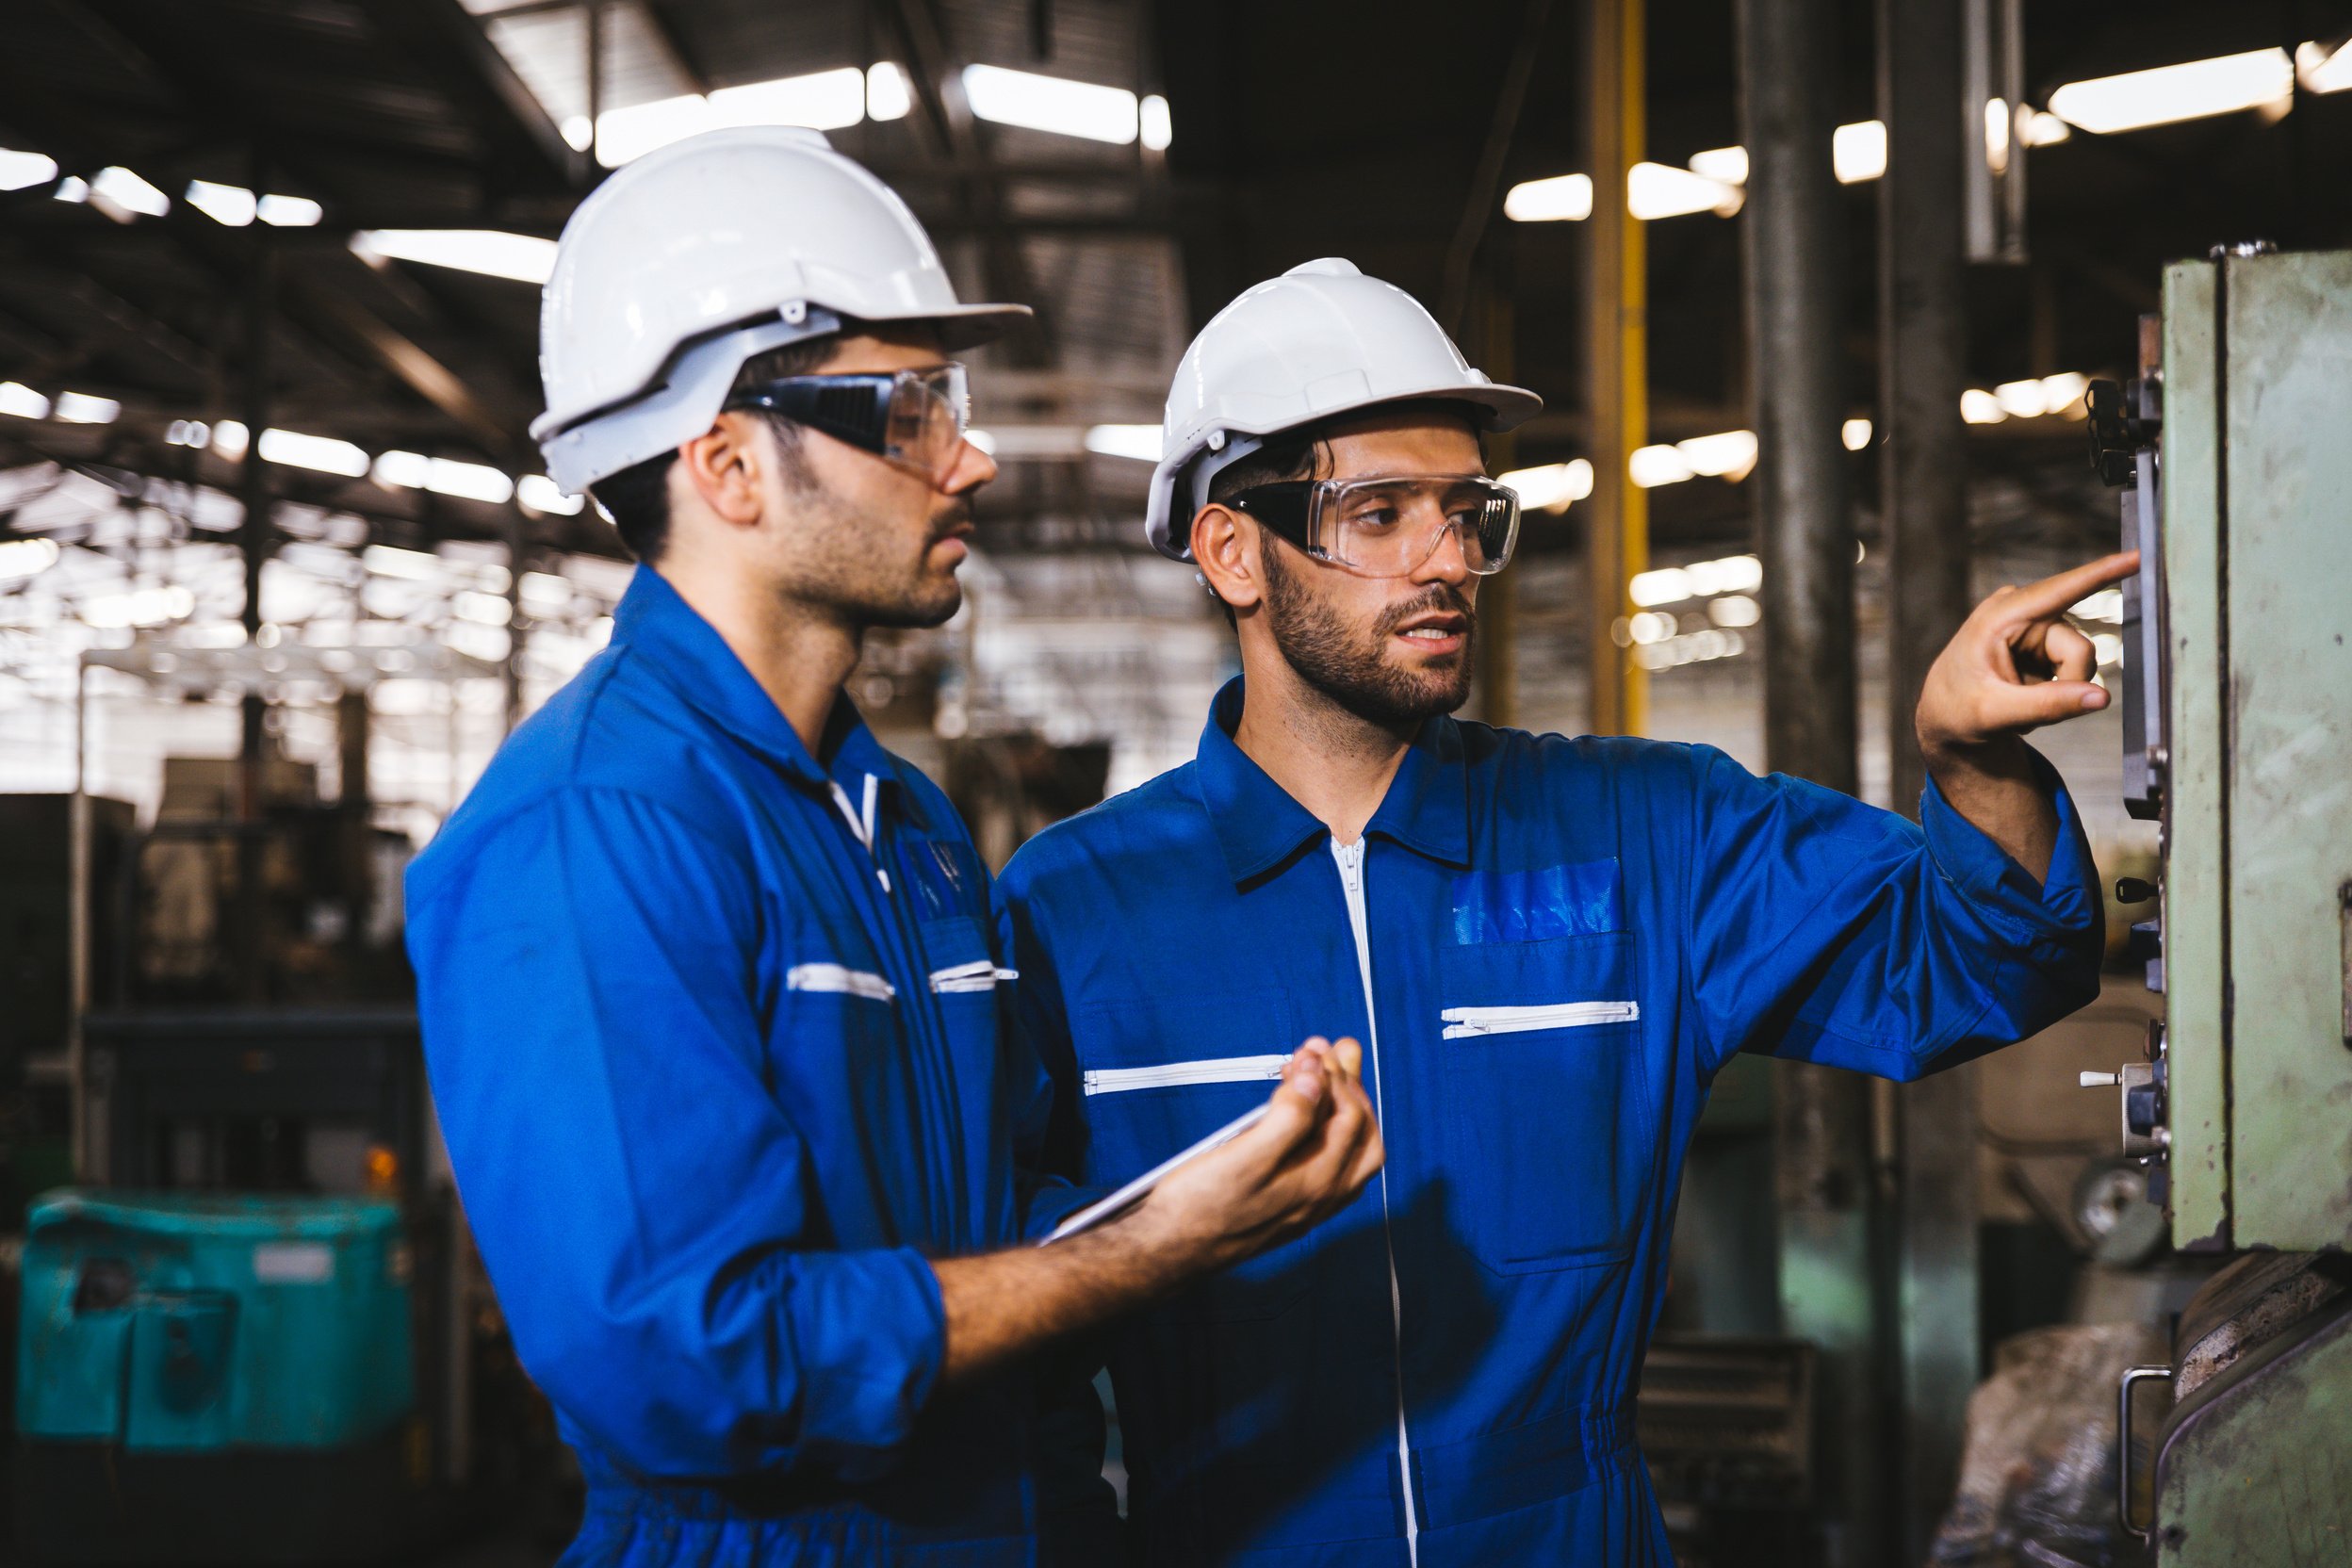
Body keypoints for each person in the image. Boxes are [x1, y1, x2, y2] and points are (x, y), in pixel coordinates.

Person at [996, 257, 2130, 1565]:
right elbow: (1024, 1354)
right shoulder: (1076, 912)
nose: (1449, 560)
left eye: (1468, 510)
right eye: (1379, 514)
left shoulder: (1645, 838)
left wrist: (1974, 767)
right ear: (1233, 551)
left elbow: (1984, 959)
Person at [405, 137, 1382, 1568]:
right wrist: (1148, 1249)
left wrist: (1203, 1183)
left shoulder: (907, 831)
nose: (972, 457)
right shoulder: (592, 833)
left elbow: (986, 1218)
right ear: (728, 463)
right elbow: (693, 1366)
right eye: (914, 410)